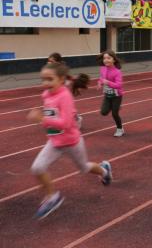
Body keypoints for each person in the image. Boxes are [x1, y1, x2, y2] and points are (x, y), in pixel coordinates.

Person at [28, 62, 112, 219]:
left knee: (84, 168)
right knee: (37, 168)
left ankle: (104, 170)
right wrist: (44, 119)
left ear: (60, 79)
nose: (45, 83)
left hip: (72, 143)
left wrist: (42, 119)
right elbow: (52, 116)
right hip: (54, 142)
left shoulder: (65, 96)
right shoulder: (47, 94)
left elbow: (66, 124)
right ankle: (53, 197)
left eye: (49, 79)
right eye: (43, 79)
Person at [98, 50, 124, 137]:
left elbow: (119, 85)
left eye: (108, 58)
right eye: (104, 58)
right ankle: (114, 107)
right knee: (103, 112)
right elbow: (101, 78)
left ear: (114, 60)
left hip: (117, 96)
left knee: (114, 113)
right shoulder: (102, 69)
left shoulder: (117, 72)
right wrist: (100, 82)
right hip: (107, 95)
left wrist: (108, 82)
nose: (106, 60)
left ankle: (120, 129)